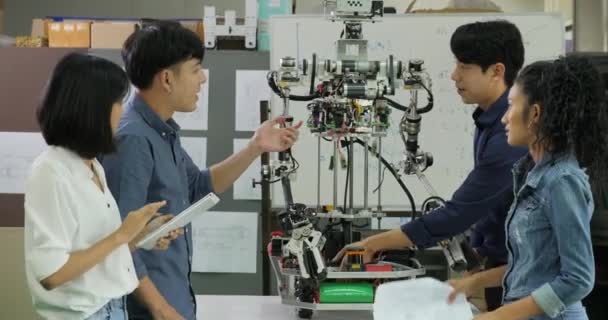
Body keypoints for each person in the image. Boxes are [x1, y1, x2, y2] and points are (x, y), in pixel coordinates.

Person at [101, 21, 302, 320]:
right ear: (167, 79)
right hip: (149, 311)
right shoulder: (134, 139)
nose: (203, 78)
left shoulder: (161, 131)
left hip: (173, 300)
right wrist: (161, 309)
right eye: (195, 69)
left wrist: (255, 147)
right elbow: (119, 242)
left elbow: (197, 186)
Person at [333, 20, 527, 310]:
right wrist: (477, 251)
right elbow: (491, 204)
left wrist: (374, 243)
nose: (453, 75)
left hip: (522, 275)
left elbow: (460, 212)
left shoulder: (509, 136)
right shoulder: (486, 120)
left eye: (464, 66)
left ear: (497, 71)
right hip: (496, 269)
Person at [448, 56, 607, 320]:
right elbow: (534, 266)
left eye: (510, 106)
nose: (504, 119)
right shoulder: (531, 172)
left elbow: (578, 279)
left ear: (534, 113)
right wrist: (471, 284)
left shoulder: (561, 180)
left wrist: (497, 316)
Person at [24, 52, 179, 320]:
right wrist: (122, 235)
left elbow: (92, 254)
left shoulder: (92, 165)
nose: (123, 109)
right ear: (93, 108)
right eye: (118, 102)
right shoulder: (51, 171)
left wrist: (140, 238)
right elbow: (51, 274)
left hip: (111, 308)